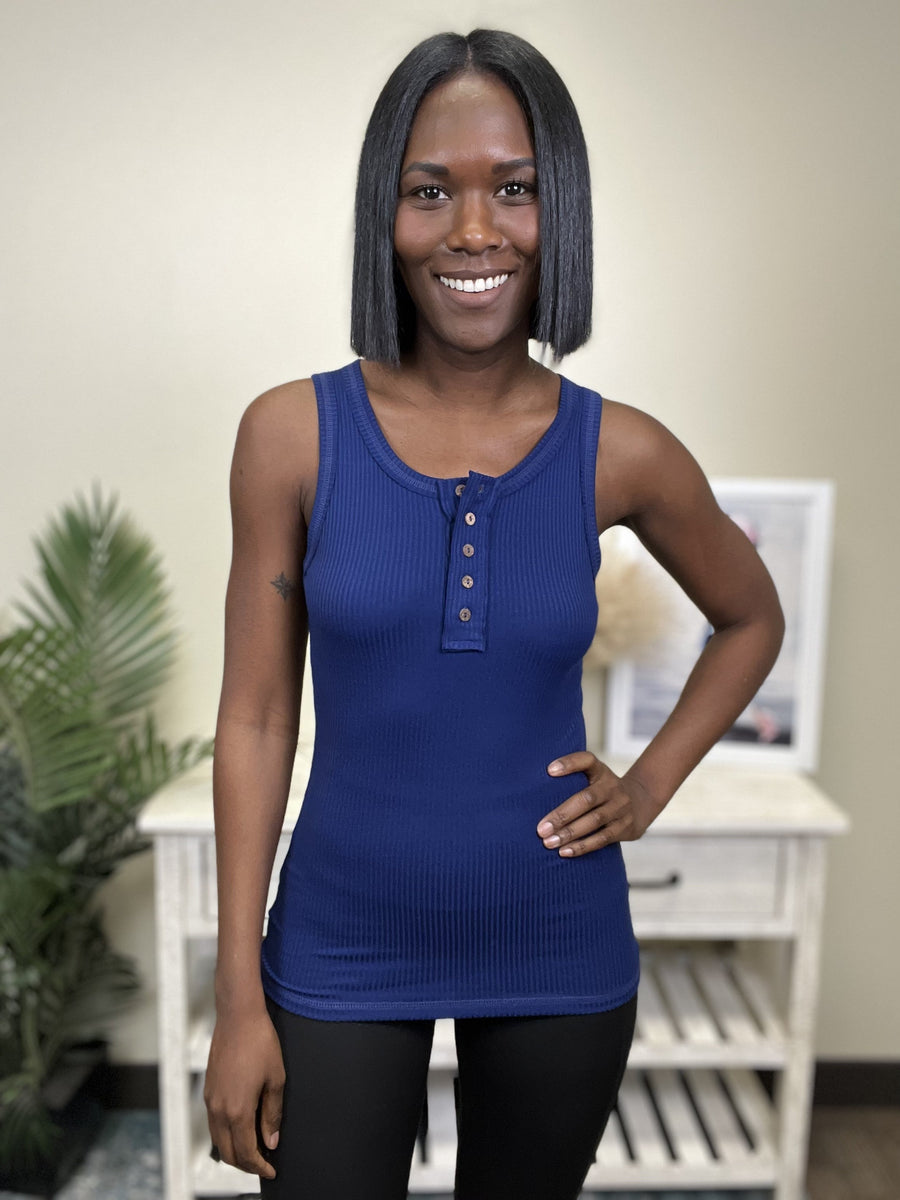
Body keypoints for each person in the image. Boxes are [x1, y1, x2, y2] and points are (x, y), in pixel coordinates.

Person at [204, 28, 784, 1200]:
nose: (475, 230)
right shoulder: (290, 436)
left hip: (557, 941)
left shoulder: (621, 450)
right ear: (385, 215)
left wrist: (648, 786)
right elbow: (257, 722)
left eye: (514, 188)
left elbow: (751, 617)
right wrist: (237, 998)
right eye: (431, 191)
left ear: (557, 209)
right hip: (339, 938)